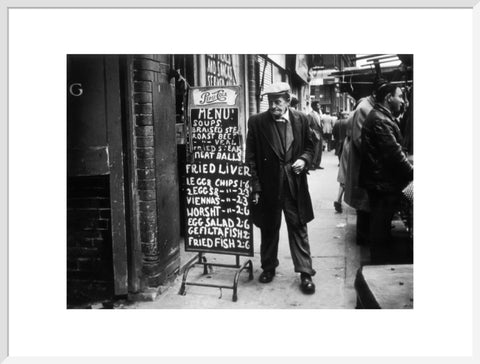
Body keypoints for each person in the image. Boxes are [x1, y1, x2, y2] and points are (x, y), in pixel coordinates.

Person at [246, 82, 316, 294]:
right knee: (269, 227)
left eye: (277, 102)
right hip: (269, 186)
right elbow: (250, 158)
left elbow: (311, 146)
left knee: (298, 227)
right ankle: (268, 267)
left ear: (287, 101)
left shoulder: (301, 119)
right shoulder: (257, 122)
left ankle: (305, 272)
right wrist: (256, 186)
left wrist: (304, 159)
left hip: (294, 186)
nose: (273, 106)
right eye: (270, 102)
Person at [359, 83, 413, 264]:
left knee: (380, 224)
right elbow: (394, 154)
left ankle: (380, 258)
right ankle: (379, 263)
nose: (403, 101)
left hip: (380, 181)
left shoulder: (381, 116)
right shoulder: (380, 119)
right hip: (382, 183)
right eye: (400, 96)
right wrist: (413, 172)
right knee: (380, 225)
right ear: (389, 97)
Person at [344, 78, 386, 245]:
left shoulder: (372, 106)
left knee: (367, 203)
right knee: (363, 203)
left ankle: (366, 235)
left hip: (368, 163)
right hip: (363, 163)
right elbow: (360, 140)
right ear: (376, 93)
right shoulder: (364, 108)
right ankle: (363, 238)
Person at [333, 111, 350, 213]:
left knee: (343, 171)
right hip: (349, 145)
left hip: (342, 144)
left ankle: (338, 199)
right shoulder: (350, 122)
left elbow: (334, 132)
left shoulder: (337, 122)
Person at [307, 101, 324, 170]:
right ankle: (312, 164)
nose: (319, 106)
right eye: (317, 105)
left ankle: (317, 164)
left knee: (320, 150)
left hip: (320, 134)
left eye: (319, 105)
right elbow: (307, 126)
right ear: (313, 106)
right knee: (315, 149)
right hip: (314, 134)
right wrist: (312, 132)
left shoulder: (319, 114)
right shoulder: (310, 115)